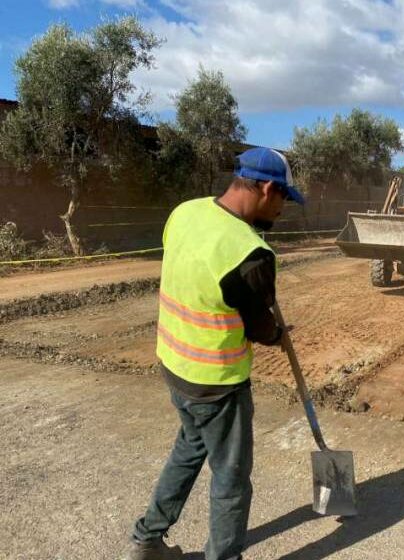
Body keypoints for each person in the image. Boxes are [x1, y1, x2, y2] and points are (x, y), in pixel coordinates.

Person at [127, 147, 305, 560]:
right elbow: (260, 328)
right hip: (216, 384)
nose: (282, 211)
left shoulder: (185, 212)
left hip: (174, 364)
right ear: (265, 188)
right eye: (283, 200)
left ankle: (146, 541)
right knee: (231, 478)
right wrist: (277, 333)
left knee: (189, 449)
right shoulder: (250, 253)